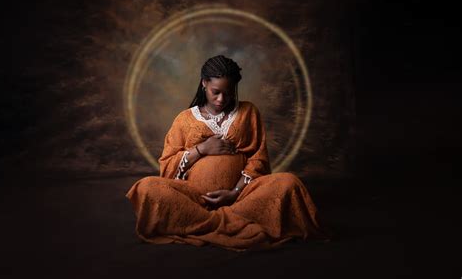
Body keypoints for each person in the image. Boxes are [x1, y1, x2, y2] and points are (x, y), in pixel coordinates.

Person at [126, 55, 330, 251]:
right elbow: (168, 165)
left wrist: (234, 192)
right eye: (216, 91)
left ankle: (204, 224)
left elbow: (258, 158)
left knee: (289, 183)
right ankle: (228, 223)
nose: (222, 99)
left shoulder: (248, 112)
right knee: (147, 187)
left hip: (241, 197)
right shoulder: (184, 119)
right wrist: (201, 149)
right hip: (195, 198)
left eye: (229, 92)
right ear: (204, 82)